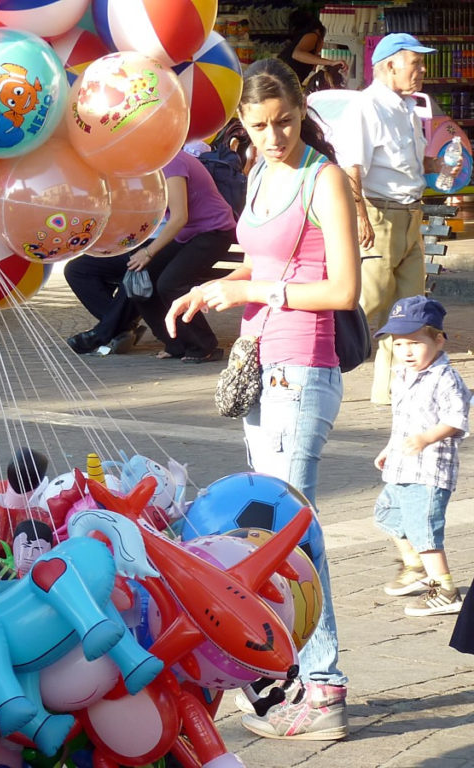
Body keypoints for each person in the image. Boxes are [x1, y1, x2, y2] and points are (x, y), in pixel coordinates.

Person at [166, 57, 361, 740]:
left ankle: (325, 684)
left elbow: (343, 291)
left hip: (303, 365)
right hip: (259, 360)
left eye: (284, 122)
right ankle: (291, 675)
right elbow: (262, 259)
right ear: (242, 126)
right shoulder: (260, 172)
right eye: (260, 125)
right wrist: (211, 287)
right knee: (273, 530)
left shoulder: (322, 177)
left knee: (288, 532)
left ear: (301, 113)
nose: (275, 135)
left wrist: (253, 291)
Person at [337, 34, 459, 405]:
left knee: (408, 310)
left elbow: (406, 163)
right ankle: (320, 362)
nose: (421, 71)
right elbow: (351, 168)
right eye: (415, 64)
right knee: (367, 303)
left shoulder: (408, 108)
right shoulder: (366, 107)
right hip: (378, 214)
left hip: (410, 214)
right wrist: (360, 218)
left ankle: (390, 389)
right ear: (390, 65)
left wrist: (437, 165)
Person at [371, 296, 470, 617]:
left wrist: (427, 437)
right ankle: (416, 567)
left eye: (414, 343)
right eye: (399, 345)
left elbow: (457, 419)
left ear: (438, 340)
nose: (406, 352)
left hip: (429, 472)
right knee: (386, 514)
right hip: (402, 466)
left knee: (424, 530)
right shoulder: (402, 375)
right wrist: (390, 447)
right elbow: (402, 421)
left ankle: (445, 589)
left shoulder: (445, 378)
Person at [127, 149, 237, 363]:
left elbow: (179, 218)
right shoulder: (149, 165)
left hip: (214, 232)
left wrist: (148, 252)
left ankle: (204, 345)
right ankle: (175, 343)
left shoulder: (171, 161)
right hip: (190, 235)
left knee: (170, 283)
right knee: (143, 276)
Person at [63, 250, 146, 355]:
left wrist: (148, 252)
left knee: (134, 274)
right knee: (75, 269)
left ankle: (101, 334)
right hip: (126, 248)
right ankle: (123, 326)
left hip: (154, 249)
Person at [277, 9, 348, 86]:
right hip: (279, 81)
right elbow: (297, 54)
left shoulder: (306, 38)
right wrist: (331, 63)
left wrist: (320, 61)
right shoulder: (314, 35)